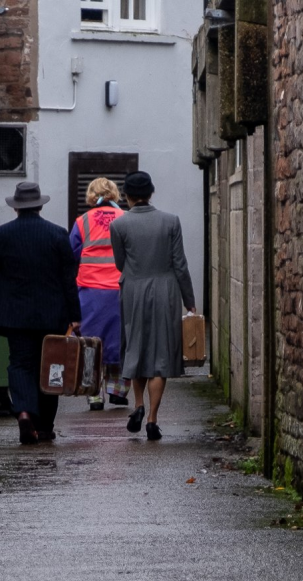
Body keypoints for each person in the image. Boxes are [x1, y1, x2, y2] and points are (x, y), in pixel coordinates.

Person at [0, 182, 81, 445]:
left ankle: (23, 410)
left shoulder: (2, 234)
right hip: (52, 314)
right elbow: (69, 279)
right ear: (40, 206)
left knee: (20, 363)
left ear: (16, 208)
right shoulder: (57, 234)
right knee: (51, 365)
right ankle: (44, 427)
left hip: (15, 315)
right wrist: (75, 315)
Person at [109, 170, 195, 441]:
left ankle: (138, 405)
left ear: (126, 197)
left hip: (133, 289)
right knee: (160, 353)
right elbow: (179, 264)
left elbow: (120, 263)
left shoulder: (118, 226)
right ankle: (153, 420)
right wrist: (189, 300)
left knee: (136, 347)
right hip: (165, 291)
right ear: (151, 193)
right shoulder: (171, 222)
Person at [69, 177, 130, 411]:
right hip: (120, 289)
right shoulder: (125, 218)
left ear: (91, 196)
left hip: (90, 290)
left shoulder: (82, 221)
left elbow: (71, 254)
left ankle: (93, 393)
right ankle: (118, 391)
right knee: (119, 340)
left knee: (90, 342)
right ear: (114, 195)